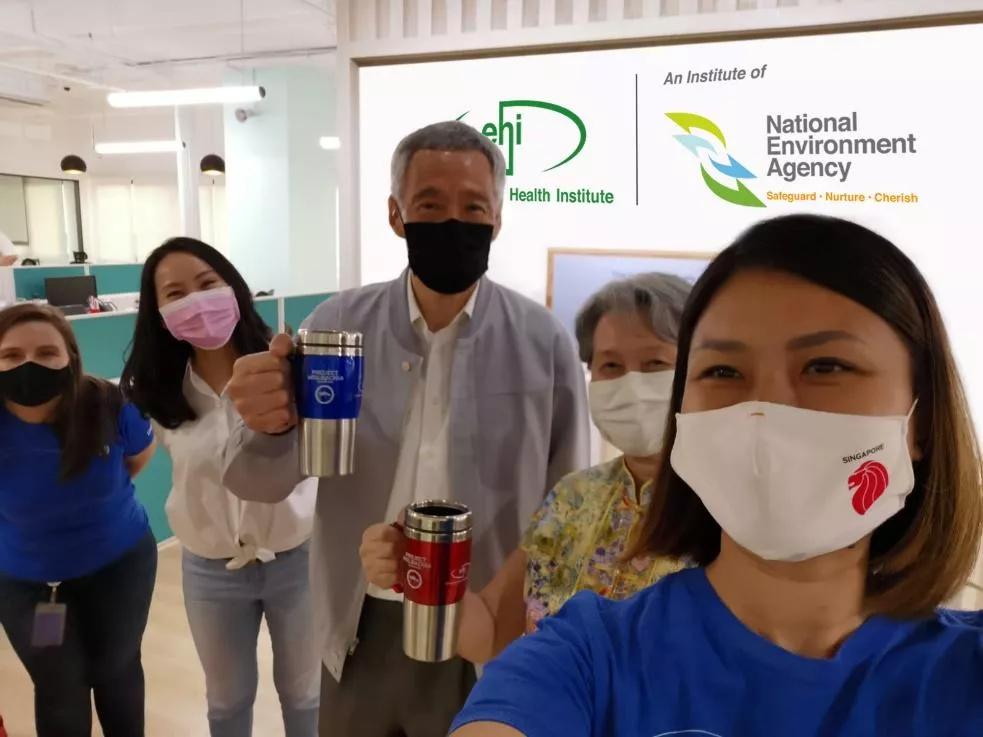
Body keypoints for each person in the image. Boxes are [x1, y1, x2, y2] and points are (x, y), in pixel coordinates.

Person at [450, 214, 983, 737]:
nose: (764, 408)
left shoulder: (962, 672)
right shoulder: (587, 655)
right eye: (723, 372)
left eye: (826, 366)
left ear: (923, 419)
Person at [222, 120, 590, 736]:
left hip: (482, 618)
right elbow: (260, 482)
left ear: (497, 218)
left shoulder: (542, 339)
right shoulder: (336, 325)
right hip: (358, 618)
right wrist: (268, 421)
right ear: (396, 215)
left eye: (473, 206)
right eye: (429, 204)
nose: (453, 221)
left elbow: (568, 501)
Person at [360, 272, 692, 662]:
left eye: (655, 364)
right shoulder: (574, 498)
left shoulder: (725, 512)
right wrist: (417, 565)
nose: (631, 385)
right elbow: (491, 633)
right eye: (611, 366)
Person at [121, 238, 320, 737]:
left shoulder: (288, 368)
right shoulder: (157, 391)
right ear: (159, 312)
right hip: (210, 570)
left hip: (295, 559)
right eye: (175, 293)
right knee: (227, 702)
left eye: (207, 284)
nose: (195, 300)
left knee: (305, 695)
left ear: (233, 288)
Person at [0, 304, 158, 737]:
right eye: (11, 355)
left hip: (118, 566)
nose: (28, 364)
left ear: (70, 356)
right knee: (57, 686)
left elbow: (139, 458)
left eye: (47, 352)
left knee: (117, 669)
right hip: (27, 584)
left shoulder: (109, 404)